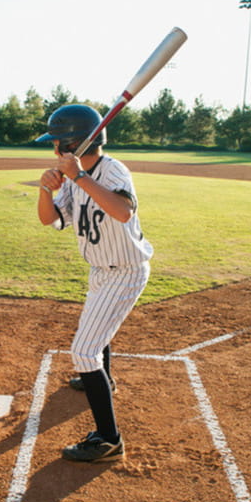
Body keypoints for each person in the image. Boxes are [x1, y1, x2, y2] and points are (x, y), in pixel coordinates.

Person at [36, 104, 153, 462]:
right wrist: (46, 189)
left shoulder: (112, 169)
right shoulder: (74, 177)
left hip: (125, 271)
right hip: (101, 270)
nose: (53, 148)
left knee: (83, 352)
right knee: (93, 337)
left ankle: (108, 439)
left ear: (72, 145)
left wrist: (79, 176)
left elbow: (122, 211)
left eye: (57, 142)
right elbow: (51, 220)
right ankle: (105, 378)